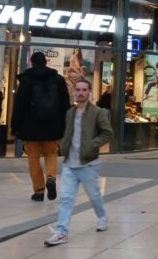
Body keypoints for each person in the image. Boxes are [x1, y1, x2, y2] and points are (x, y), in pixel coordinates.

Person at [44, 78, 112, 246]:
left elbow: (107, 133)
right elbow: (68, 133)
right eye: (78, 90)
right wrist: (63, 145)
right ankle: (61, 232)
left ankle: (102, 216)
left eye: (84, 90)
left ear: (89, 92)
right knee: (66, 198)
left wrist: (92, 145)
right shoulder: (70, 113)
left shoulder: (98, 112)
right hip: (70, 163)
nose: (80, 93)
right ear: (74, 92)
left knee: (94, 195)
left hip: (88, 163)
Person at [11, 51, 70, 202]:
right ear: (46, 62)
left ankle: (38, 191)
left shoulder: (26, 81)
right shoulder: (58, 80)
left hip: (30, 127)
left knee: (33, 158)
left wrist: (15, 126)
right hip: (52, 126)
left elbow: (19, 106)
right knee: (51, 154)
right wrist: (65, 124)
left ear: (31, 63)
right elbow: (65, 105)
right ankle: (50, 177)